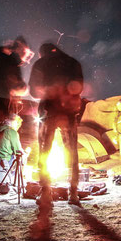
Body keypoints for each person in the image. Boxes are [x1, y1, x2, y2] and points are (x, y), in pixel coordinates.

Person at [29, 43, 83, 209]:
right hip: (69, 112)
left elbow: (33, 90)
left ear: (42, 52)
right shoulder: (73, 62)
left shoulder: (41, 63)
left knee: (45, 151)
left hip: (49, 111)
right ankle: (73, 192)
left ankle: (46, 192)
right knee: (72, 152)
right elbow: (79, 87)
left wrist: (48, 92)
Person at [0, 36, 33, 128]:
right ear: (19, 48)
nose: (27, 57)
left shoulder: (2, 59)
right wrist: (28, 89)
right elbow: (16, 87)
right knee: (0, 138)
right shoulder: (10, 62)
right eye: (26, 52)